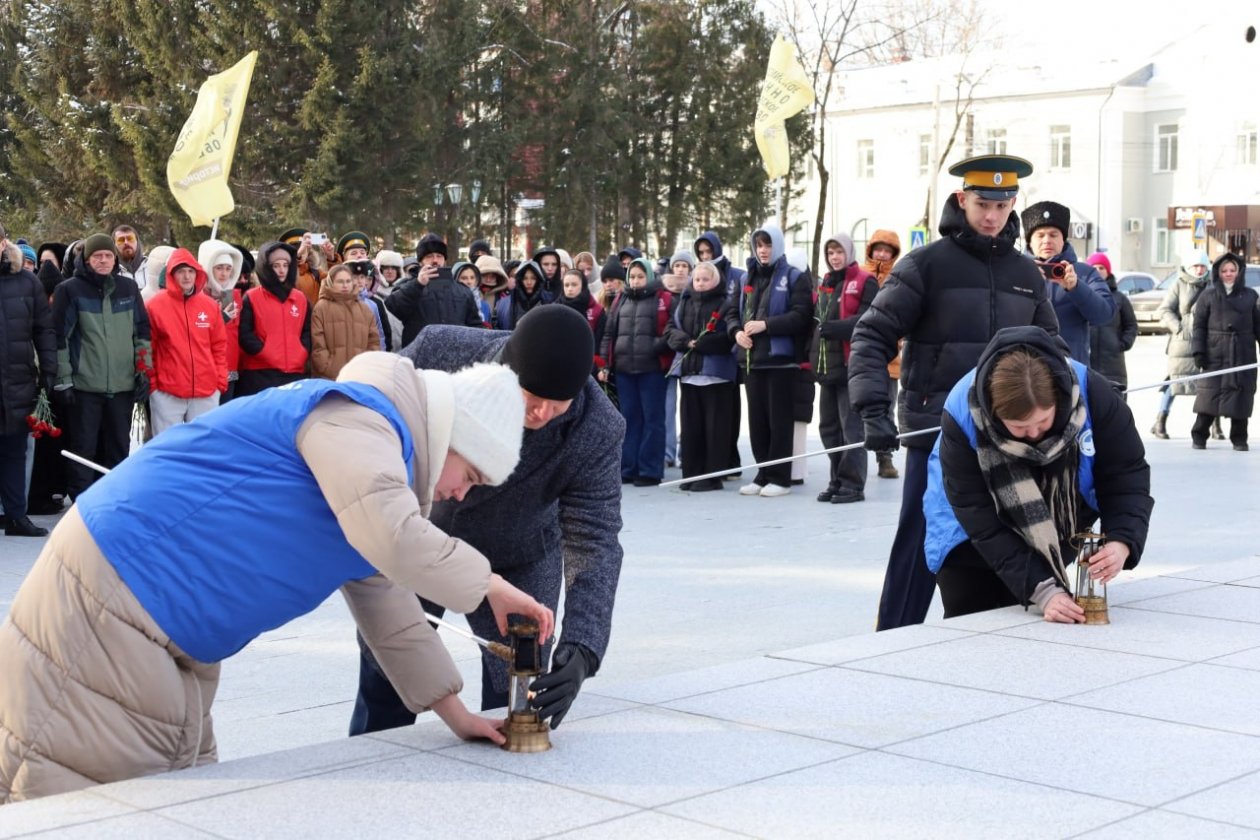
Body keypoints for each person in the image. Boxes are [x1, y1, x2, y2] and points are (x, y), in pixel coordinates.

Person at [0, 354, 554, 802]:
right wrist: (489, 585)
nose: (460, 493)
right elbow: (394, 537)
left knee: (174, 790)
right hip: (111, 603)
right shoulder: (359, 419)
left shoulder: (375, 472)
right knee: (89, 795)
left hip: (153, 617)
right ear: (449, 435)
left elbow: (391, 609)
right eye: (470, 476)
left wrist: (453, 712)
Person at [350, 306, 625, 732]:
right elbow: (373, 422)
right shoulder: (440, 351)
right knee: (390, 666)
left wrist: (582, 647)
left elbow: (595, 536)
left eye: (557, 405)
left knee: (517, 685)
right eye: (532, 398)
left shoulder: (598, 427)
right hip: (421, 538)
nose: (541, 414)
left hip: (519, 553)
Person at [848, 154, 1059, 631]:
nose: (992, 216)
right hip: (936, 433)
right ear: (962, 199)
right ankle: (893, 639)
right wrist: (873, 409)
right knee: (922, 543)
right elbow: (872, 335)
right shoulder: (925, 265)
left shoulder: (1026, 275)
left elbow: (1053, 353)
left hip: (1010, 437)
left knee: (1007, 543)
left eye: (1002, 206)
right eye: (983, 204)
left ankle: (989, 637)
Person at [923, 327, 1153, 620]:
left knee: (1038, 622)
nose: (1033, 435)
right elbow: (975, 511)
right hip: (968, 535)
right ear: (994, 413)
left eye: (1044, 422)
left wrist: (1122, 539)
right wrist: (1041, 588)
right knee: (974, 618)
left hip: (1056, 524)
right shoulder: (962, 412)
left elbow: (1125, 475)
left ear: (1059, 399)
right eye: (1018, 428)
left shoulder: (1094, 394)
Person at [52, 233, 152, 500]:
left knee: (118, 448)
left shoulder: (128, 288)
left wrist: (143, 370)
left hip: (122, 384)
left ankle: (114, 501)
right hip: (85, 385)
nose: (104, 260)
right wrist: (64, 379)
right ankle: (82, 503)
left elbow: (141, 332)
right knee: (83, 449)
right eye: (98, 256)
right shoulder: (70, 290)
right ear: (87, 259)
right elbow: (59, 338)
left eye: (108, 256)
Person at [724, 223, 812, 497]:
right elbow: (731, 313)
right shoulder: (745, 278)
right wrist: (736, 332)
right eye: (759, 245)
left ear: (778, 246)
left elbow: (801, 316)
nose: (763, 250)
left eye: (768, 245)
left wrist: (767, 325)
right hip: (752, 361)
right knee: (758, 422)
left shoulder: (794, 276)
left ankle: (780, 477)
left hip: (781, 361)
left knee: (779, 421)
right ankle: (762, 473)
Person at [812, 233, 879, 504]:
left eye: (839, 252)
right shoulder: (826, 283)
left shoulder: (865, 280)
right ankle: (836, 479)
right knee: (829, 428)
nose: (834, 257)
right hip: (828, 367)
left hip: (852, 364)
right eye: (830, 253)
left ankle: (853, 484)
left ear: (849, 253)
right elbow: (816, 324)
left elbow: (868, 318)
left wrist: (836, 329)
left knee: (851, 428)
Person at [0, 228, 56, 536]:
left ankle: (16, 517)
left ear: (3, 243)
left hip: (17, 379)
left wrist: (49, 369)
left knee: (14, 451)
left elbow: (44, 329)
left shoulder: (27, 281)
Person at [599, 257, 672, 486]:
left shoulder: (663, 298)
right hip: (624, 369)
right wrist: (605, 364)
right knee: (629, 419)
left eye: (640, 276)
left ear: (648, 276)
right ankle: (628, 467)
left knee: (652, 419)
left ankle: (650, 470)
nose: (636, 281)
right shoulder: (621, 298)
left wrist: (654, 347)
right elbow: (609, 334)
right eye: (632, 276)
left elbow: (670, 330)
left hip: (652, 369)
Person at [664, 260, 735, 491]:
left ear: (715, 281)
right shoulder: (684, 302)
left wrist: (702, 344)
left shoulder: (726, 303)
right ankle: (691, 473)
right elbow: (670, 330)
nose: (701, 283)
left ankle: (713, 476)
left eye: (705, 279)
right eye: (697, 279)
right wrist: (687, 342)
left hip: (716, 375)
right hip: (689, 373)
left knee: (714, 429)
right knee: (691, 428)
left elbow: (728, 337)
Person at [145, 249, 228, 435]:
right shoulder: (154, 306)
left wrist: (219, 382)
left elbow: (219, 346)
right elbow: (148, 349)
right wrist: (153, 387)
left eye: (191, 271)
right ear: (171, 274)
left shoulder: (210, 306)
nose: (187, 276)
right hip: (167, 392)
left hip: (206, 391)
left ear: (198, 273)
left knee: (203, 445)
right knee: (168, 446)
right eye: (181, 271)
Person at [1020, 201, 1115, 363]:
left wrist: (1076, 287)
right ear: (1030, 241)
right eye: (1040, 235)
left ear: (1063, 239)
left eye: (1053, 235)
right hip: (1025, 366)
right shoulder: (1016, 271)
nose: (1047, 240)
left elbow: (1104, 315)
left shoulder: (1085, 273)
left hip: (1070, 366)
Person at [1190, 252, 1260, 451]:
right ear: (1218, 273)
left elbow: (1258, 325)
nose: (1228, 274)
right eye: (1224, 271)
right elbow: (1199, 326)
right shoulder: (1208, 296)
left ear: (1239, 272)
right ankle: (1199, 435)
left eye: (1232, 270)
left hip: (1243, 353)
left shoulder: (1250, 296)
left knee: (1241, 397)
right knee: (1210, 396)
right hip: (1215, 353)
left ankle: (1239, 438)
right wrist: (1198, 352)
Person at [237, 241, 311, 397]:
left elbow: (307, 331)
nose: (282, 270)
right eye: (276, 266)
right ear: (266, 268)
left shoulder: (300, 298)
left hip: (294, 372)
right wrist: (264, 352)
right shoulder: (252, 297)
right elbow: (245, 334)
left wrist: (302, 352)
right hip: (260, 372)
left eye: (285, 265)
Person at [1152, 251, 1212, 440]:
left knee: (1211, 384)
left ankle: (1214, 425)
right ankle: (1160, 421)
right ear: (1188, 267)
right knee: (1175, 382)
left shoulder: (1212, 284)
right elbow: (1165, 309)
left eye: (1202, 266)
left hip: (1207, 340)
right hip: (1182, 343)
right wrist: (1178, 328)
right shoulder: (1179, 284)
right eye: (1196, 266)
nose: (1199, 270)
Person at [387, 233, 483, 347]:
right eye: (429, 256)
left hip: (454, 353)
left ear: (444, 260)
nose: (435, 260)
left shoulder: (462, 290)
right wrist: (418, 284)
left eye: (439, 256)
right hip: (419, 352)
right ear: (420, 261)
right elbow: (393, 306)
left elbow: (475, 327)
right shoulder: (409, 285)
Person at [862, 229, 903, 479]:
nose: (882, 254)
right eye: (878, 249)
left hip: (890, 357)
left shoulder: (899, 278)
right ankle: (853, 462)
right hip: (862, 355)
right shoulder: (859, 275)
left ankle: (885, 458)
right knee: (857, 409)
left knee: (887, 409)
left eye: (887, 251)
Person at [311, 264, 381, 380]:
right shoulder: (321, 307)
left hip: (360, 375)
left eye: (348, 281)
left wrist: (367, 366)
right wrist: (327, 368)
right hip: (330, 377)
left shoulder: (364, 309)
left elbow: (374, 342)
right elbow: (318, 344)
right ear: (331, 282)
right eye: (340, 281)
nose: (345, 285)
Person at [1085, 252, 1138, 396]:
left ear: (1108, 271)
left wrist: (1122, 343)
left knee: (1116, 401)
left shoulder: (1119, 298)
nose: (1098, 271)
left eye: (1101, 267)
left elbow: (1131, 325)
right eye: (1094, 267)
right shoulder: (1080, 295)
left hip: (1113, 364)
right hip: (1086, 361)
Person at [556, 267, 606, 369]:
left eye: (574, 285)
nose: (570, 289)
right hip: (560, 364)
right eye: (566, 285)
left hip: (588, 365)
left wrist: (598, 366)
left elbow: (601, 342)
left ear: (582, 285)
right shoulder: (555, 309)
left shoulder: (597, 310)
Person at [495, 260, 552, 330]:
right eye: (525, 278)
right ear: (519, 280)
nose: (529, 282)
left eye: (533, 278)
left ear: (539, 280)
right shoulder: (502, 304)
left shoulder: (550, 303)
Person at [111, 225, 147, 289]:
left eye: (130, 238)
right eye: (121, 240)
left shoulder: (151, 266)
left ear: (137, 241)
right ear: (114, 245)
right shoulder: (110, 271)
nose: (126, 242)